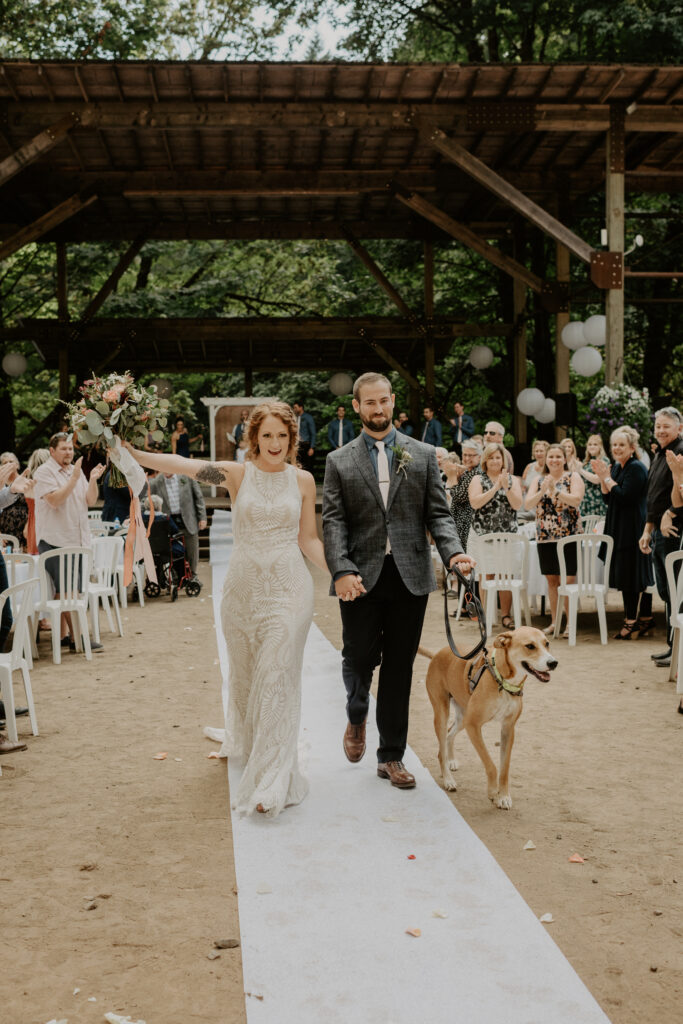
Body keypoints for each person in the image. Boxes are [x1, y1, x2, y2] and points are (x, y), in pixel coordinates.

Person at [124, 401, 329, 817]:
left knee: (277, 672)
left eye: (282, 436)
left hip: (289, 587)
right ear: (253, 438)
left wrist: (341, 573)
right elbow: (184, 465)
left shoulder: (303, 481)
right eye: (267, 435)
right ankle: (251, 742)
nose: (275, 443)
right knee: (248, 673)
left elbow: (309, 539)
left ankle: (274, 778)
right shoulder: (238, 475)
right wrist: (136, 454)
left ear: (292, 441)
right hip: (242, 589)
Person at [322, 372, 474, 791]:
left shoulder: (423, 454)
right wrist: (341, 569)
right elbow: (332, 522)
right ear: (357, 407)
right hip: (359, 577)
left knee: (398, 669)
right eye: (369, 403)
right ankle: (356, 715)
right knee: (357, 658)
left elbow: (439, 515)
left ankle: (391, 756)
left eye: (384, 401)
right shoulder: (339, 461)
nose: (378, 409)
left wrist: (454, 552)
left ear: (393, 402)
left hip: (410, 575)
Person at [32, 432, 106, 649]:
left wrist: (91, 479)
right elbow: (54, 500)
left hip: (77, 541)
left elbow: (90, 500)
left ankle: (65, 636)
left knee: (67, 589)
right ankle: (79, 639)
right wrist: (74, 478)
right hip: (56, 540)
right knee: (68, 591)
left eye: (71, 448)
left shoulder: (74, 471)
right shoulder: (44, 472)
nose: (69, 452)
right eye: (63, 448)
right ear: (52, 451)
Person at [591, 427, 654, 639]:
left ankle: (632, 621)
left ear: (632, 447)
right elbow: (609, 499)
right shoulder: (618, 467)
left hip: (633, 527)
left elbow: (626, 496)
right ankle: (644, 619)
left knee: (633, 575)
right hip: (619, 525)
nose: (616, 448)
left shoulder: (636, 468)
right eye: (614, 444)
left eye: (621, 445)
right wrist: (603, 478)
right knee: (630, 574)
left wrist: (606, 478)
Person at [639, 407, 683, 668]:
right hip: (657, 531)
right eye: (657, 426)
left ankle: (676, 647)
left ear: (679, 428)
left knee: (676, 590)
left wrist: (671, 512)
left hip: (675, 531)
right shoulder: (658, 454)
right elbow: (653, 498)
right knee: (666, 590)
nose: (660, 430)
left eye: (666, 426)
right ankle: (671, 645)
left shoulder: (681, 451)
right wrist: (647, 530)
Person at [525, 443, 584, 636]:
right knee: (552, 580)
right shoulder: (538, 479)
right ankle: (554, 621)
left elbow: (576, 500)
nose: (554, 460)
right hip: (545, 536)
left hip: (568, 535)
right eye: (551, 457)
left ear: (565, 459)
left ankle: (570, 623)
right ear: (546, 460)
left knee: (567, 579)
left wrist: (555, 490)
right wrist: (543, 490)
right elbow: (527, 505)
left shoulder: (572, 477)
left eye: (558, 456)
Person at [468, 442, 523, 629]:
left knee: (505, 575)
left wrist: (506, 487)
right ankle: (486, 615)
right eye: (491, 457)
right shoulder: (477, 479)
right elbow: (475, 503)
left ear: (503, 460)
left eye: (498, 457)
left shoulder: (513, 479)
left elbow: (517, 505)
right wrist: (494, 487)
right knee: (486, 574)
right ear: (485, 460)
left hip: (508, 536)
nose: (494, 461)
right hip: (483, 535)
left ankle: (506, 615)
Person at [149, 470, 207, 578]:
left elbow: (198, 498)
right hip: (169, 522)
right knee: (174, 552)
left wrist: (202, 517)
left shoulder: (187, 477)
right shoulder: (156, 482)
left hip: (188, 520)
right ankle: (177, 577)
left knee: (192, 551)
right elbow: (147, 500)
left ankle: (193, 576)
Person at [448, 439, 482, 556]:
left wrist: (452, 478)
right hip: (460, 521)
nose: (467, 458)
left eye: (471, 455)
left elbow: (459, 496)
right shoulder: (468, 471)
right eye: (465, 454)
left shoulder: (476, 473)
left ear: (479, 456)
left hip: (467, 522)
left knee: (464, 557)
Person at [23, 448, 49, 554]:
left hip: (32, 524)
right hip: (48, 524)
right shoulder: (50, 485)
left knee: (35, 560)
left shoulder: (28, 485)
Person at [0, 452, 29, 545]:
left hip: (24, 529)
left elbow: (34, 507)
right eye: (5, 463)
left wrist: (29, 526)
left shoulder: (25, 481)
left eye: (11, 461)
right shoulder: (1, 485)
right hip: (4, 529)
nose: (8, 464)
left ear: (17, 465)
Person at [579, 434, 610, 518]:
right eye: (590, 444)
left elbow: (597, 479)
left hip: (597, 502)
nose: (592, 447)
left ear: (600, 447)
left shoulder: (604, 460)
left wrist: (580, 470)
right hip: (585, 503)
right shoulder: (586, 462)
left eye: (595, 444)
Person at [293, 400, 317, 474]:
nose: (294, 409)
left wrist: (312, 447)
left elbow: (313, 433)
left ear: (301, 407)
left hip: (306, 444)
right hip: (296, 444)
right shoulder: (294, 418)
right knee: (297, 464)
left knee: (307, 465)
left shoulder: (308, 418)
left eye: (295, 407)